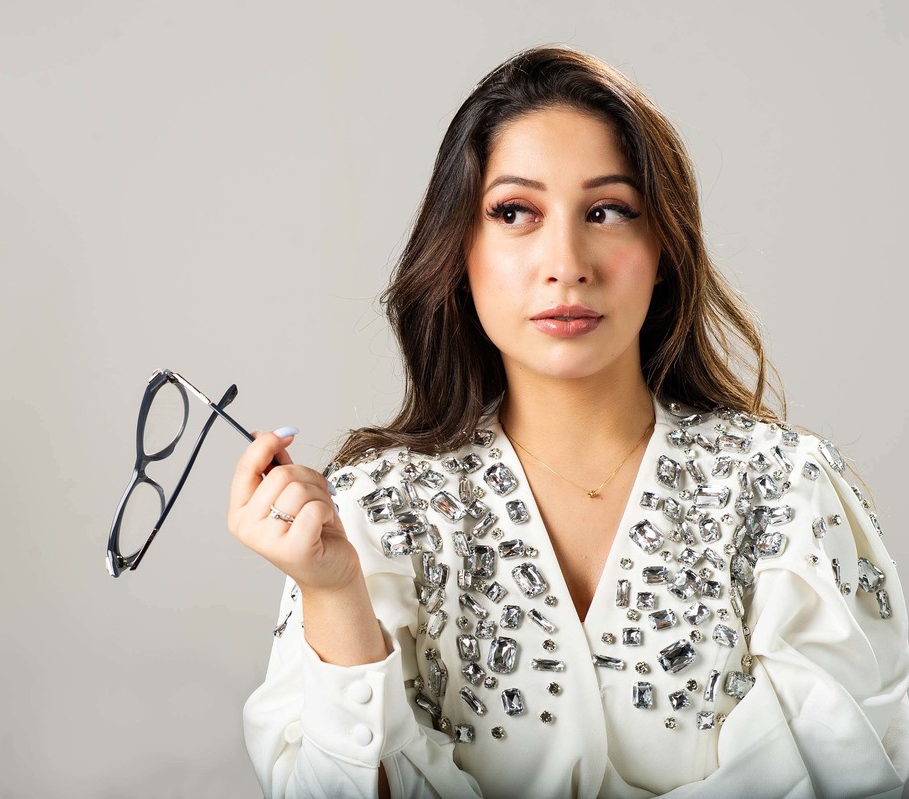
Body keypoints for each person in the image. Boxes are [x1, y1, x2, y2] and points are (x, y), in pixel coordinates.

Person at [226, 45, 909, 798]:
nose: (566, 261)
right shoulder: (371, 510)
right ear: (461, 250)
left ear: (663, 250)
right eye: (515, 212)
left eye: (606, 211)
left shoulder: (787, 488)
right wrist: (332, 594)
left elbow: (856, 776)